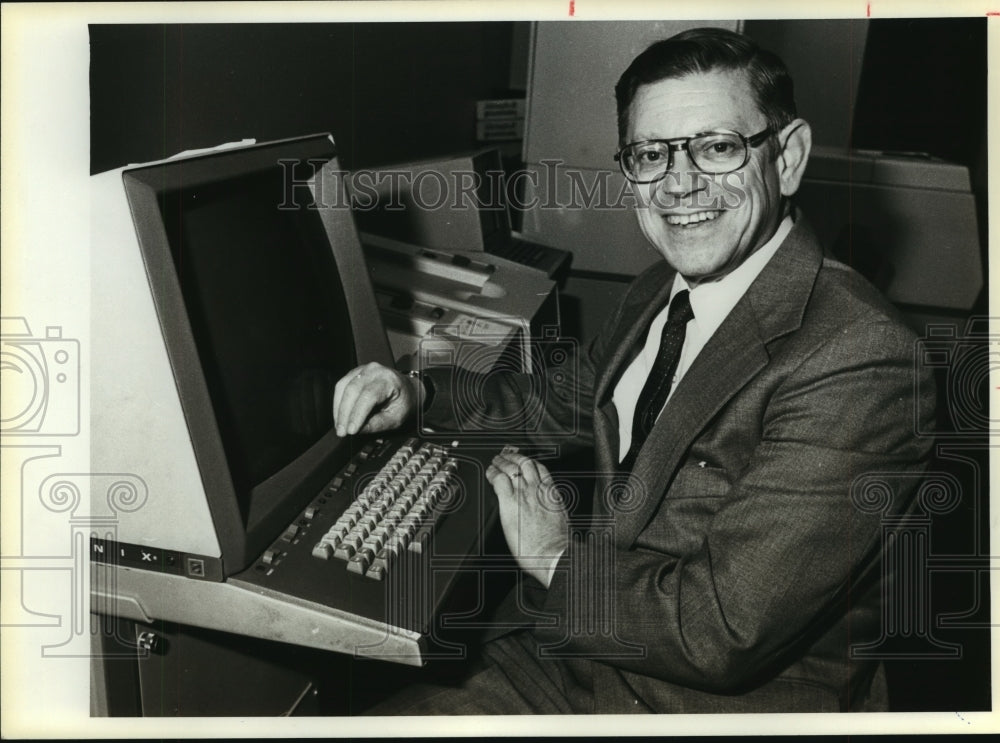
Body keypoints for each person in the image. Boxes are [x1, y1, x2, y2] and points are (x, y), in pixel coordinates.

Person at [333, 27, 934, 713]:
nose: (680, 184)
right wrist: (418, 393)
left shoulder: (860, 356)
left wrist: (556, 557)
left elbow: (721, 629)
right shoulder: (659, 288)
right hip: (588, 651)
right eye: (652, 154)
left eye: (717, 147)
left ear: (788, 157)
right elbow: (557, 402)